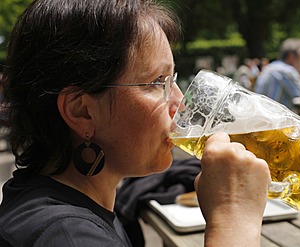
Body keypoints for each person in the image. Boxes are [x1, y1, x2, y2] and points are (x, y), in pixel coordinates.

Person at [0, 0, 271, 246]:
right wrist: (234, 218)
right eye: (157, 82)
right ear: (82, 111)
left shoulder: (63, 205)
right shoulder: (66, 236)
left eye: (172, 79)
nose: (179, 104)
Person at [254, 38, 300, 110]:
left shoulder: (270, 67)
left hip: (260, 115)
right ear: (291, 56)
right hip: (274, 118)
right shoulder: (287, 71)